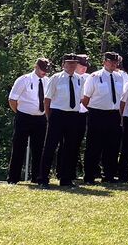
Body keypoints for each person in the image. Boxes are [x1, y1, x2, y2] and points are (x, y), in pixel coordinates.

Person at [38, 54, 85, 187]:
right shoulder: (56, 78)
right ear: (63, 64)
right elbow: (47, 99)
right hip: (57, 114)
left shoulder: (79, 79)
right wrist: (49, 117)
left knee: (70, 147)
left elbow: (80, 98)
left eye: (74, 63)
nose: (72, 66)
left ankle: (66, 178)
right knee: (50, 146)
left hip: (73, 115)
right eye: (69, 63)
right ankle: (43, 178)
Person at [80, 52, 126, 184]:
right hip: (97, 114)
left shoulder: (119, 77)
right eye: (111, 61)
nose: (113, 64)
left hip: (114, 114)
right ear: (104, 62)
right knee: (94, 147)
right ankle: (89, 176)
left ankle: (109, 175)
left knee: (112, 146)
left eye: (115, 62)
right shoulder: (94, 77)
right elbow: (85, 99)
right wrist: (92, 112)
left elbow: (121, 98)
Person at [6, 58, 51, 184]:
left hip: (40, 117)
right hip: (24, 117)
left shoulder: (47, 81)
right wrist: (19, 112)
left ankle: (36, 177)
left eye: (46, 70)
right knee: (19, 147)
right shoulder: (24, 80)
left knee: (39, 148)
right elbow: (12, 100)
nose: (44, 72)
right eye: (42, 69)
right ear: (36, 66)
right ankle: (13, 178)